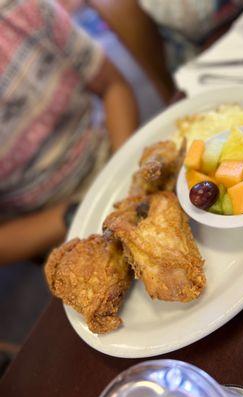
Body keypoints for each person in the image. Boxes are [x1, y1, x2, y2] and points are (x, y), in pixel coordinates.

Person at [0, 0, 139, 266]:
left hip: (109, 155)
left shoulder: (24, 9)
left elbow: (112, 84)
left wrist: (122, 166)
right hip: (49, 226)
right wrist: (74, 213)